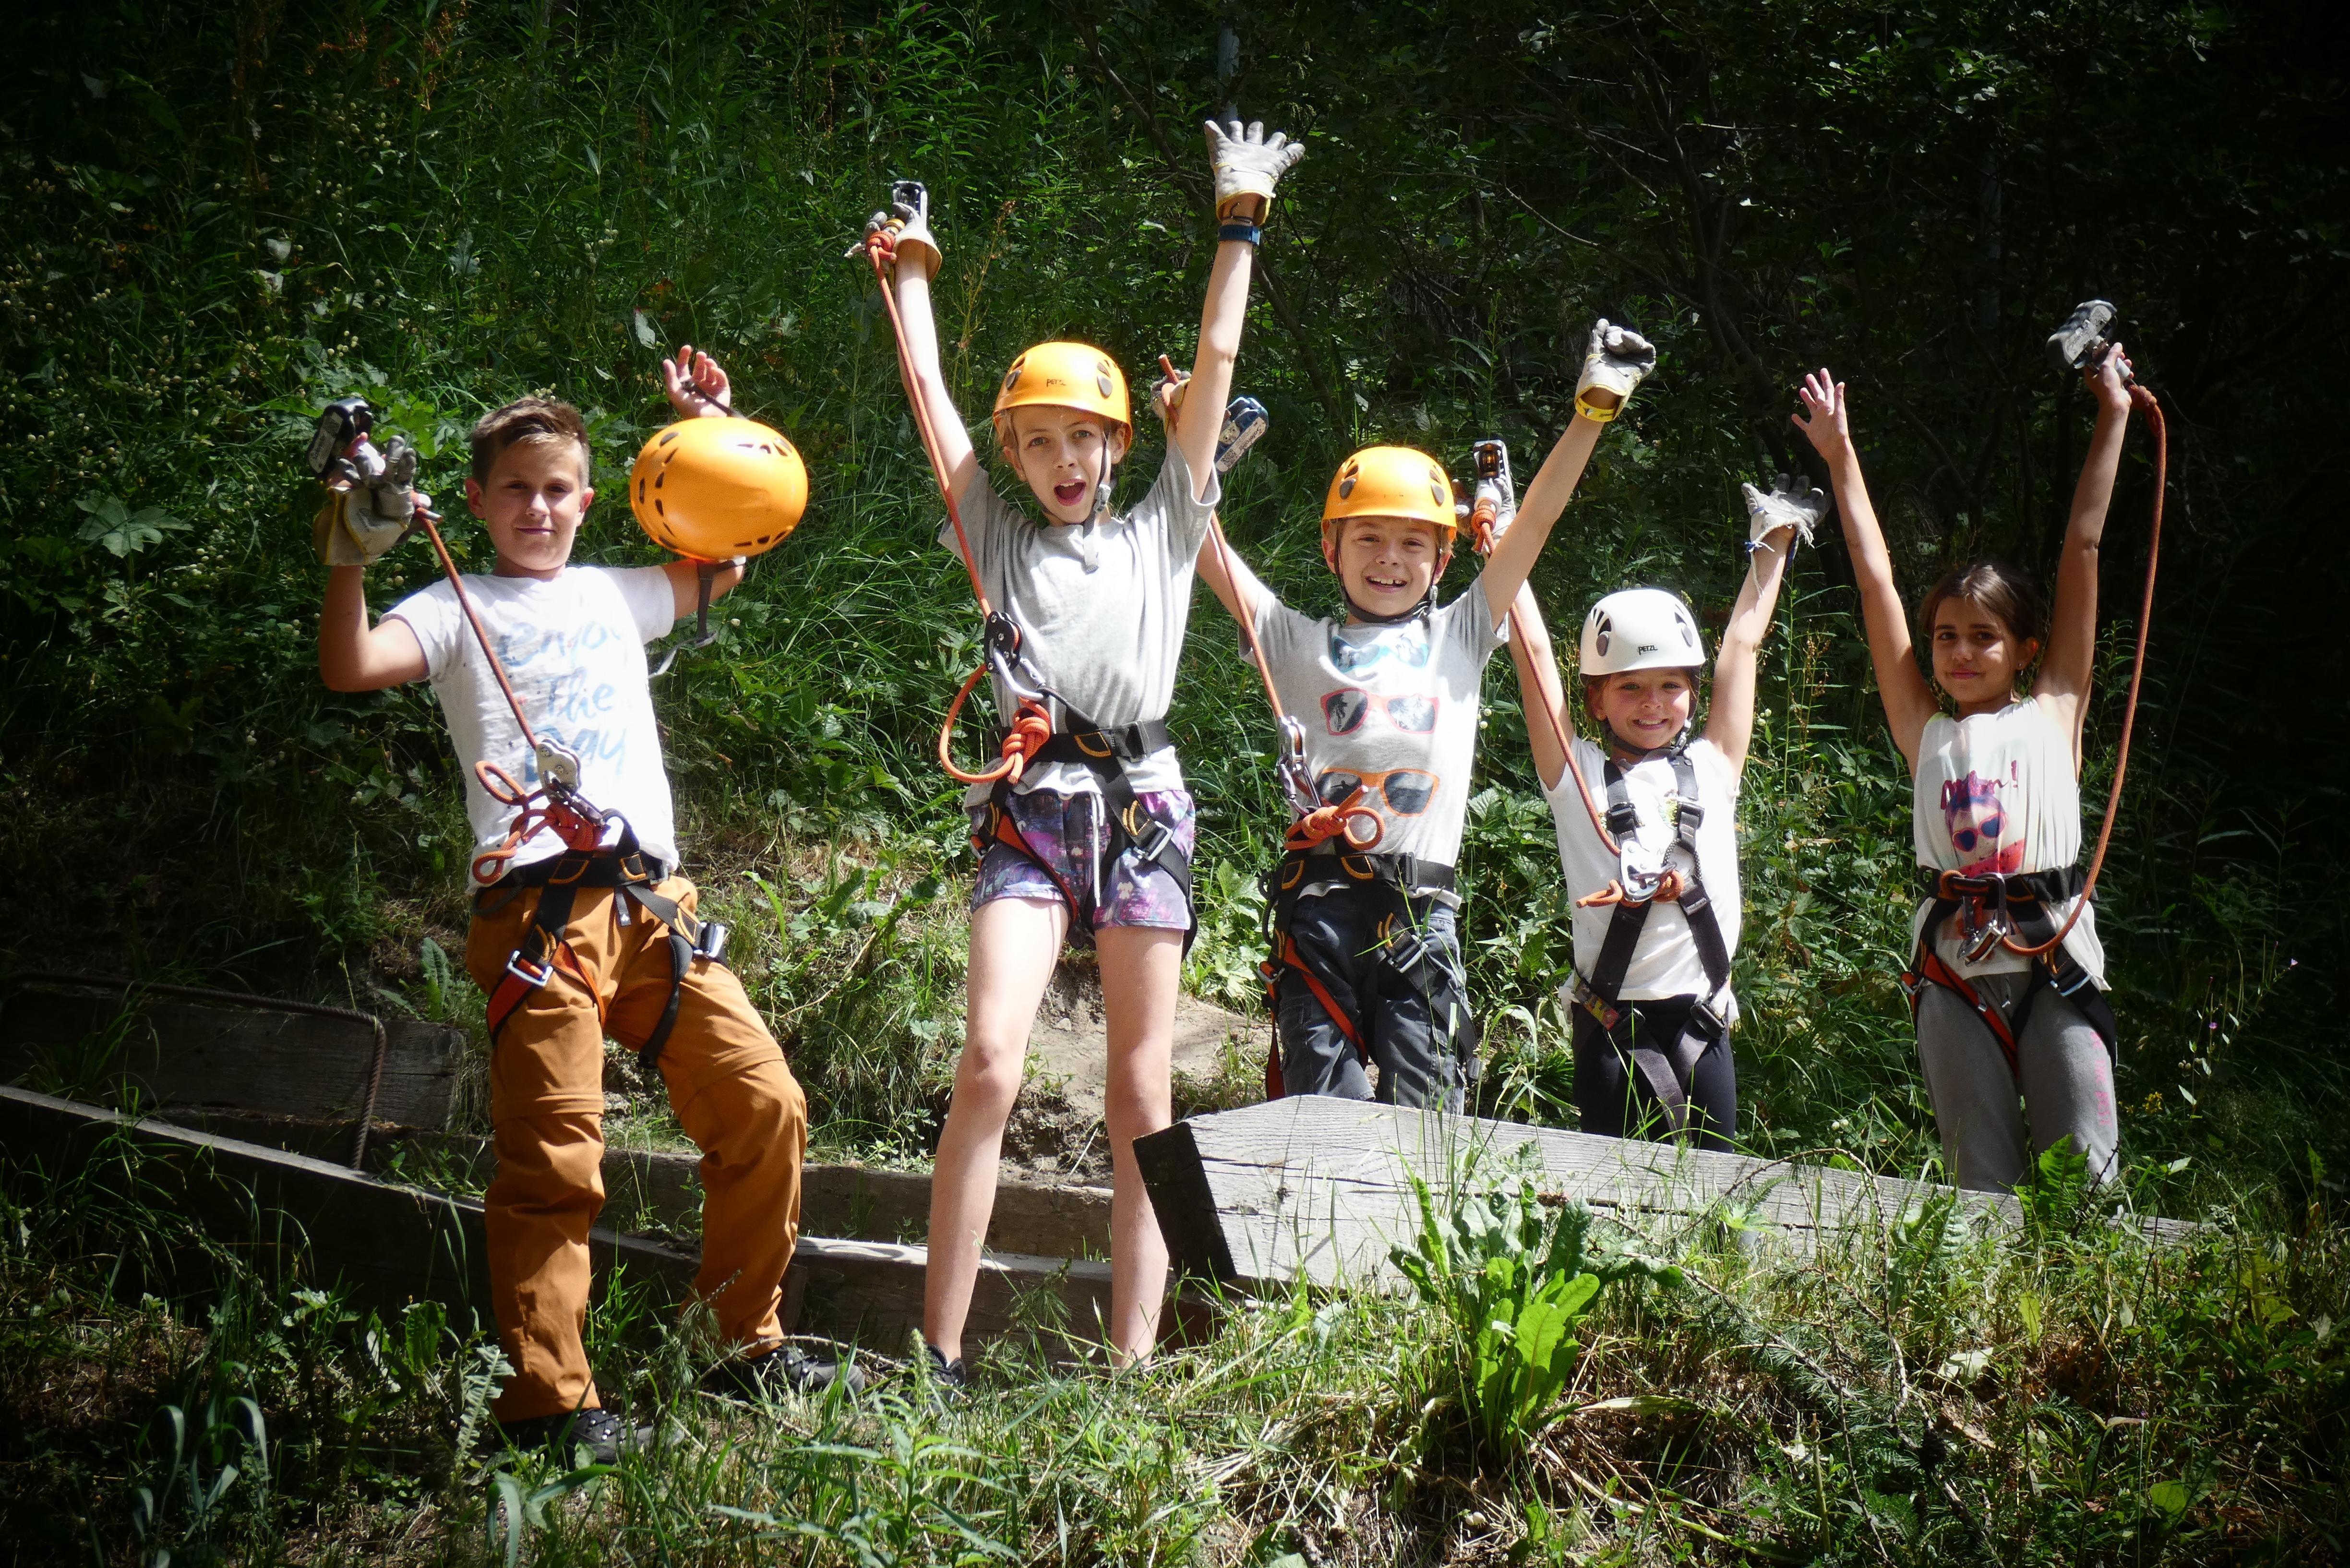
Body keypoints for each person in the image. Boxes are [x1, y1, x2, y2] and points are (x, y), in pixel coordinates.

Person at [314, 348, 836, 1464]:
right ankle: (548, 1401)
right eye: (515, 489)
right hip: (536, 920)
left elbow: (728, 558)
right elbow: (353, 663)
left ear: (588, 500)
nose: (538, 507)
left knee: (765, 1104)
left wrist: (713, 426)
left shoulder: (616, 590)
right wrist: (350, 550)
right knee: (557, 1159)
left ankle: (740, 1338)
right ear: (476, 501)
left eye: (558, 490)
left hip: (654, 904)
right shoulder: (454, 605)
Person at [867, 120, 1306, 1379]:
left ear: (1122, 445)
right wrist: (908, 269)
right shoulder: (995, 540)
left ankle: (1132, 1364)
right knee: (992, 1060)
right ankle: (937, 1356)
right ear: (1015, 456)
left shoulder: (1170, 523)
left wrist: (1240, 214)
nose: (1064, 458)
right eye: (1038, 440)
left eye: (1085, 437)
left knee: (1140, 1097)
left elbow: (1218, 359)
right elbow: (929, 398)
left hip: (1147, 808)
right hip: (1031, 806)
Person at [1194, 322, 1658, 1108]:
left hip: (1421, 914)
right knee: (1321, 1126)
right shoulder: (1292, 641)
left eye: (1414, 544)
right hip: (1320, 913)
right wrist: (1192, 453)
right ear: (1330, 549)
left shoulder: (1464, 633)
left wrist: (1593, 411)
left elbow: (1537, 521)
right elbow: (1201, 543)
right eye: (1368, 538)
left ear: (1444, 561)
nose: (1389, 559)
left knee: (1426, 1128)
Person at [1792, 347, 2136, 1191]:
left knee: (2086, 1173)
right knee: (1978, 1181)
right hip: (1954, 965)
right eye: (1945, 635)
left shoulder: (2054, 709)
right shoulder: (1925, 730)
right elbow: (1875, 585)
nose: (1959, 651)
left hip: (2056, 956)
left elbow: (2083, 546)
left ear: (2024, 649)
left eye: (1983, 636)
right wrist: (1842, 459)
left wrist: (2114, 416)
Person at [1505, 477, 1816, 1150]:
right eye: (1631, 687)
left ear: (1692, 693)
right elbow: (1533, 662)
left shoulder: (1713, 766)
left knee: (1713, 1198)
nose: (1653, 702)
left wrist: (1776, 541)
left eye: (1671, 686)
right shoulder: (1576, 775)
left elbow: (1742, 649)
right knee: (1610, 1194)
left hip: (1699, 1024)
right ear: (1596, 700)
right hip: (1610, 1024)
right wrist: (1504, 543)